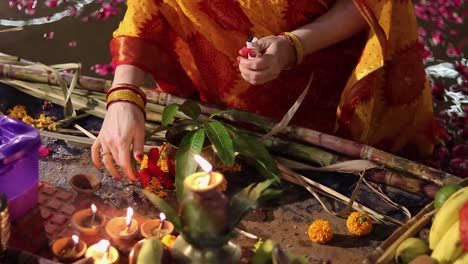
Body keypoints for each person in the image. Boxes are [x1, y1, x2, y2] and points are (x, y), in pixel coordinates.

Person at [92, 0, 436, 182]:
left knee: (344, 172)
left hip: (328, 79)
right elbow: (147, 5)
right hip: (231, 79)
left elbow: (371, 5)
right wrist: (124, 94)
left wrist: (293, 46)